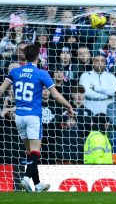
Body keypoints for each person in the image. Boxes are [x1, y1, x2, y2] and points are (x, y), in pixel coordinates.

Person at [0, 44, 73, 192]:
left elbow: (1, 89)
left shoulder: (15, 72)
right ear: (38, 56)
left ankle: (38, 184)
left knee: (30, 152)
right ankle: (26, 178)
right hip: (33, 116)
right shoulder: (41, 73)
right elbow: (56, 95)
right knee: (35, 151)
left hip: (19, 116)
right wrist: (68, 106)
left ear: (24, 57)